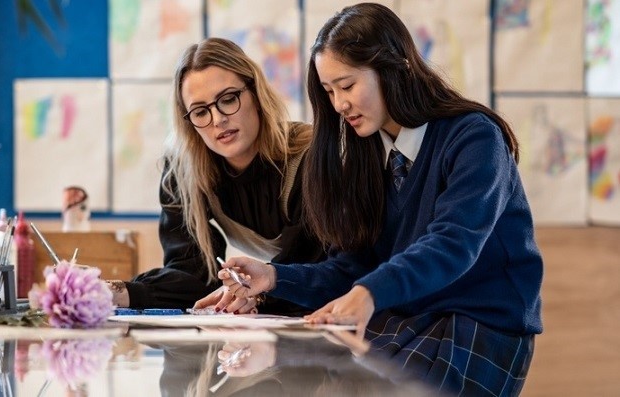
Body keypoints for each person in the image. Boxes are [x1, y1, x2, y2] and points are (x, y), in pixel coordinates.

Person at [219, 3, 543, 395]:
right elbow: (349, 267)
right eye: (329, 91)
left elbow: (452, 243)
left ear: (396, 67)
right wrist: (273, 277)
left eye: (348, 85)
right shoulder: (366, 155)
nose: (339, 104)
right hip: (408, 318)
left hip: (477, 321)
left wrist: (370, 292)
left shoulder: (474, 138)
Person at [106, 37, 325, 315]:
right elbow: (193, 278)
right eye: (200, 111)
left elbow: (315, 267)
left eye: (228, 99)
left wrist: (255, 296)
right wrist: (113, 293)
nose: (218, 119)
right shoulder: (183, 173)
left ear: (256, 94)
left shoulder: (311, 157)